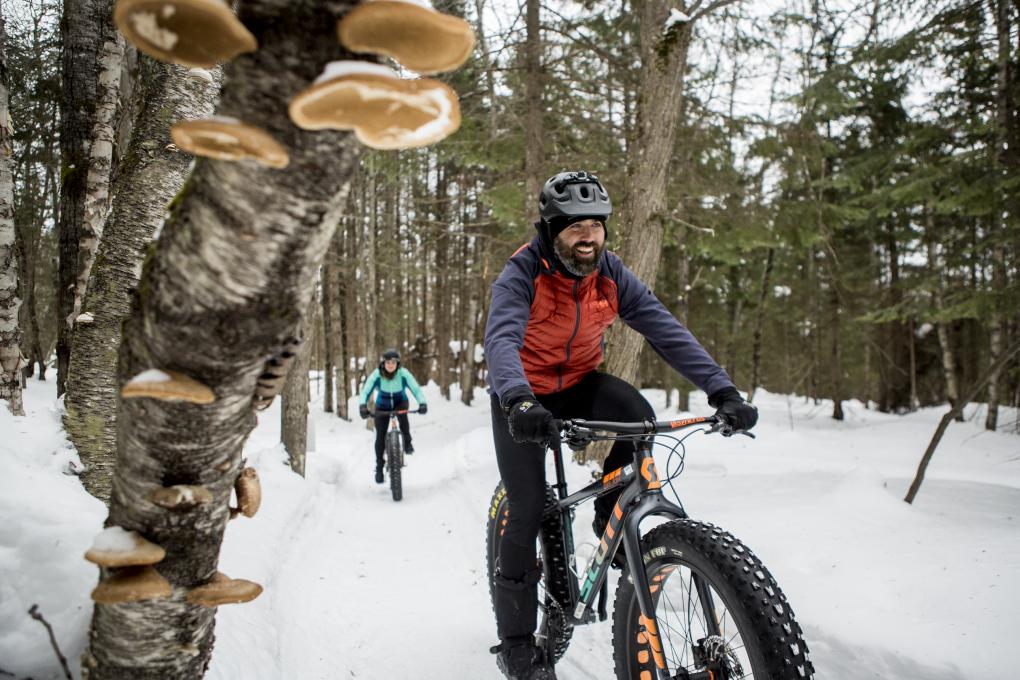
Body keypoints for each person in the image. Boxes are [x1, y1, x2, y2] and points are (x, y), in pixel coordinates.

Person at [483, 170, 758, 680]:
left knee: (638, 417)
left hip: (580, 382)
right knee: (525, 507)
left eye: (596, 225)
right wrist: (519, 401)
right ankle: (517, 644)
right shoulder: (522, 272)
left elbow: (664, 328)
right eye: (573, 227)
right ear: (550, 229)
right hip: (521, 392)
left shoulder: (610, 273)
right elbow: (500, 340)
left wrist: (722, 390)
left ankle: (609, 513)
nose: (587, 237)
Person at [358, 349, 428, 483]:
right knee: (380, 435)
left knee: (403, 418)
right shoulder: (377, 375)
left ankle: (407, 441)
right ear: (383, 363)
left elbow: (416, 389)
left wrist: (422, 403)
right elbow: (366, 391)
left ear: (398, 364)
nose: (390, 365)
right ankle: (379, 466)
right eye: (388, 362)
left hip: (400, 402)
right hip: (382, 406)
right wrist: (362, 406)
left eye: (393, 362)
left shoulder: (403, 374)